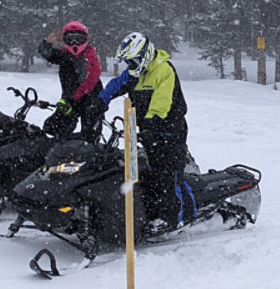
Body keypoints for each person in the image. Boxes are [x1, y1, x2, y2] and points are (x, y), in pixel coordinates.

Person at [100, 32, 191, 231]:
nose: (130, 65)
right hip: (148, 131)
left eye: (133, 60)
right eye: (128, 61)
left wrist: (151, 123)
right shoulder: (134, 72)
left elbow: (162, 101)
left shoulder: (163, 70)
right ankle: (151, 211)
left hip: (170, 130)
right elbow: (116, 85)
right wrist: (99, 102)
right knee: (148, 173)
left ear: (145, 54)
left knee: (168, 174)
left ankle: (174, 218)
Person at [38, 20, 103, 142]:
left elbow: (90, 78)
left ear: (86, 40)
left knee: (90, 137)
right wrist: (47, 42)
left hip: (91, 101)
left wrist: (72, 99)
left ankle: (86, 154)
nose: (74, 43)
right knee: (53, 128)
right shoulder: (66, 56)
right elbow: (48, 54)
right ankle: (61, 151)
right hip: (71, 99)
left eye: (78, 39)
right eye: (70, 39)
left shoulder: (89, 56)